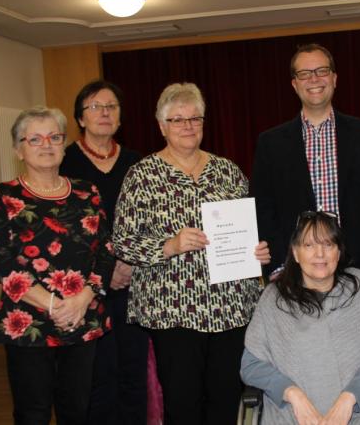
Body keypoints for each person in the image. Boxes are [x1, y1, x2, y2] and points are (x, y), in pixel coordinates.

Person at [112, 82, 271, 425]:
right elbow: (123, 241)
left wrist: (257, 250)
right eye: (178, 119)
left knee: (226, 400)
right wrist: (168, 246)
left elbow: (251, 225)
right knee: (183, 403)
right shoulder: (142, 175)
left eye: (195, 118)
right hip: (173, 310)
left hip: (230, 306)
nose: (188, 126)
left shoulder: (228, 170)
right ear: (162, 126)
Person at [0, 106, 113, 424]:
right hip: (28, 322)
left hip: (82, 316)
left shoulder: (87, 192)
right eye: (35, 139)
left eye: (54, 137)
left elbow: (106, 251)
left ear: (63, 145)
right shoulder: (3, 196)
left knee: (77, 410)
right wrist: (54, 305)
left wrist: (82, 299)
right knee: (33, 413)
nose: (46, 145)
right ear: (19, 149)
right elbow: (1, 263)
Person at [241, 211, 360, 425]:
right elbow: (251, 365)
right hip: (290, 419)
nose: (320, 254)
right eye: (309, 245)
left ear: (338, 252)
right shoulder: (273, 299)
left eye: (328, 244)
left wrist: (349, 398)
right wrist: (293, 394)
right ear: (295, 253)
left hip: (359, 418)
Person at [251, 43, 360, 279]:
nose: (314, 79)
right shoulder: (270, 143)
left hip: (358, 270)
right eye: (304, 73)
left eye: (322, 71)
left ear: (334, 78)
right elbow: (262, 210)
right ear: (294, 84)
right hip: (295, 272)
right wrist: (279, 266)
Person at [59, 80, 147, 425]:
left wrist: (128, 263)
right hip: (84, 286)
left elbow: (149, 220)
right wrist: (105, 270)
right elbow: (61, 231)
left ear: (121, 117)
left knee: (133, 372)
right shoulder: (64, 162)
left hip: (133, 281)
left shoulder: (137, 162)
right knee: (96, 375)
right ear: (81, 118)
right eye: (95, 107)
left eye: (111, 106)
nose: (105, 113)